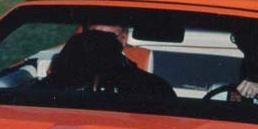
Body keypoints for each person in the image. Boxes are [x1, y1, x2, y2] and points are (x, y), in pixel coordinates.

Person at [41, 26, 175, 98]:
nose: (101, 43)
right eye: (94, 35)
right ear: (84, 36)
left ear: (123, 38)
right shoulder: (57, 82)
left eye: (109, 37)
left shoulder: (153, 89)